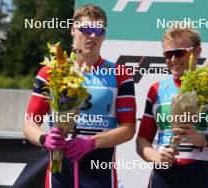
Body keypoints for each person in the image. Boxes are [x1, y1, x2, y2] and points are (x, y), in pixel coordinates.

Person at [23, 4, 136, 188]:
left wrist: (92, 142)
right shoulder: (50, 72)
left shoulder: (120, 74)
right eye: (86, 29)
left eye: (99, 30)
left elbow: (128, 129)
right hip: (60, 169)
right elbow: (29, 124)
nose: (93, 35)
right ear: (73, 30)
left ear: (104, 35)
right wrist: (44, 139)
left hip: (100, 170)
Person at [136, 27, 208, 188]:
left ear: (197, 51)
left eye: (180, 53)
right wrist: (155, 156)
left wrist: (206, 140)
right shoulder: (156, 90)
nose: (173, 59)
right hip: (161, 178)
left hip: (199, 178)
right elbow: (142, 141)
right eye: (168, 54)